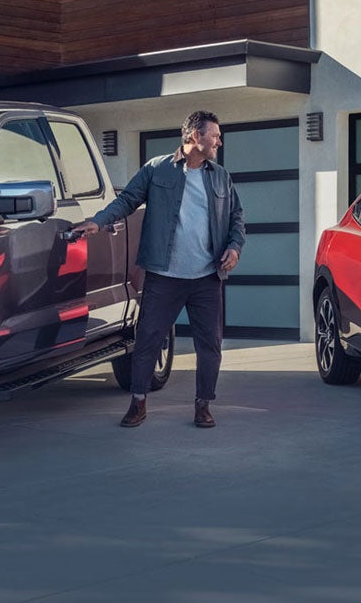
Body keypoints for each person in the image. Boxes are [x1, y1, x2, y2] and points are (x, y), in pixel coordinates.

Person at [69, 111, 244, 428]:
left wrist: (234, 247)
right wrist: (98, 221)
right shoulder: (157, 169)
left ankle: (203, 406)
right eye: (214, 135)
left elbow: (236, 220)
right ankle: (138, 403)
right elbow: (127, 200)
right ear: (194, 136)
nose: (219, 140)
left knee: (210, 346)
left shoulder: (220, 177)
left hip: (207, 277)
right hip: (164, 276)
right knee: (147, 340)